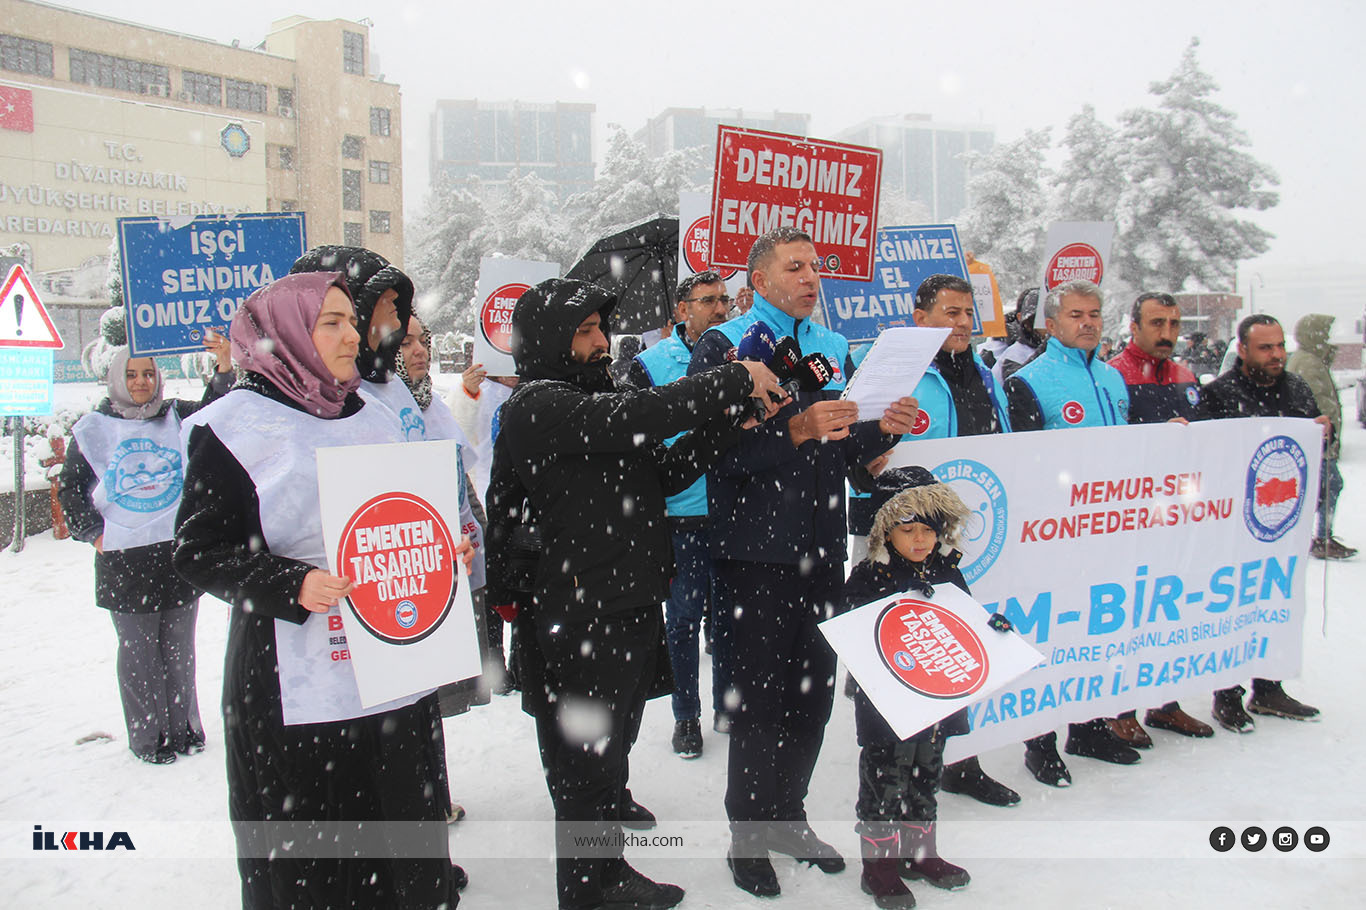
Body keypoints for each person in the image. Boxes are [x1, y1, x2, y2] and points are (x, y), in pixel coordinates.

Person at [484, 277, 785, 910]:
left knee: (611, 749)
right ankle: (589, 888)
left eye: (601, 328)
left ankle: (606, 868)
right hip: (577, 611)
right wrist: (732, 379)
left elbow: (665, 473)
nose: (601, 342)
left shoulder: (597, 400)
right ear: (547, 339)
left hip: (627, 599)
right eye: (586, 331)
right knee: (584, 763)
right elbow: (642, 416)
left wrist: (734, 421)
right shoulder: (537, 404)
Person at [174, 272, 466, 908]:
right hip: (293, 678)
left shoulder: (375, 410)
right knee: (322, 854)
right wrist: (292, 582)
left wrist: (442, 548)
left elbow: (399, 513)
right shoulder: (231, 427)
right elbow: (198, 551)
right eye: (328, 323)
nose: (349, 335)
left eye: (349, 321)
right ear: (281, 337)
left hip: (390, 663)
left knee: (403, 836)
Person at [687, 227, 919, 897]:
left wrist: (883, 428)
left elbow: (840, 452)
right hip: (753, 555)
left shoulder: (831, 346)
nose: (814, 276)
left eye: (817, 265)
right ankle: (747, 836)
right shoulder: (725, 347)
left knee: (811, 699)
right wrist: (797, 429)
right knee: (759, 704)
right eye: (797, 267)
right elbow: (717, 456)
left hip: (819, 552)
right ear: (759, 281)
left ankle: (789, 816)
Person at [873, 273, 1020, 808]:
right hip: (909, 544)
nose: (961, 324)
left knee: (964, 647)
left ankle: (960, 762)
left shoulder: (987, 375)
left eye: (967, 314)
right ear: (921, 318)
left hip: (972, 537)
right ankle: (897, 780)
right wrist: (874, 460)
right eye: (950, 313)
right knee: (918, 653)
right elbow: (863, 458)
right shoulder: (897, 375)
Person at [845, 467, 1012, 909]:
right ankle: (878, 865)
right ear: (886, 529)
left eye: (928, 530)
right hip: (888, 706)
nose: (919, 540)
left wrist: (993, 628)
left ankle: (920, 852)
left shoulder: (946, 572)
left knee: (926, 772)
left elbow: (967, 619)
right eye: (908, 530)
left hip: (937, 702)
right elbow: (854, 632)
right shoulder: (868, 576)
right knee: (886, 777)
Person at [60, 339, 232, 764]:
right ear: (117, 378)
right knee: (139, 655)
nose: (141, 382)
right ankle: (149, 738)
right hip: (125, 562)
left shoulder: (174, 416)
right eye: (132, 374)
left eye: (149, 374)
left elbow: (219, 410)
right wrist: (95, 534)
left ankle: (185, 729)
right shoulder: (93, 428)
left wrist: (224, 365)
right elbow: (71, 488)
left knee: (178, 650)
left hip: (173, 556)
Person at [1004, 278, 1138, 784]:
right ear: (1053, 324)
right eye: (1077, 315)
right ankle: (1040, 741)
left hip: (1108, 531)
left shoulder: (1111, 378)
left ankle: (1090, 726)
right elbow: (1023, 463)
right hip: (1056, 534)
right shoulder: (1029, 381)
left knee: (1097, 631)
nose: (1088, 323)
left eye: (1095, 314)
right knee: (1051, 636)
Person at [1195, 313, 1325, 731]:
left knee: (1277, 602)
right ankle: (1227, 694)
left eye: (1280, 346)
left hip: (1282, 522)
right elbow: (1203, 454)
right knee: (1232, 608)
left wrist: (1324, 432)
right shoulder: (1219, 393)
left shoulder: (1296, 388)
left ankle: (1269, 688)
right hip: (1234, 525)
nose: (1276, 355)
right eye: (1266, 347)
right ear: (1244, 349)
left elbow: (1318, 439)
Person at [623, 270, 734, 758]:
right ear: (681, 310)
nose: (718, 308)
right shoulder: (650, 364)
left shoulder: (740, 352)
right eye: (707, 300)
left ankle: (729, 704)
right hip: (682, 514)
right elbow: (640, 443)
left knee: (732, 618)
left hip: (735, 508)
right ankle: (686, 715)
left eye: (724, 300)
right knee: (684, 619)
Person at [1106, 293, 1215, 742]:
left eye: (1173, 323)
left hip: (1178, 514)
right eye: (1157, 323)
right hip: (1131, 514)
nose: (1167, 332)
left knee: (1170, 609)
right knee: (1128, 612)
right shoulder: (1115, 375)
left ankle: (1166, 703)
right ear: (1134, 326)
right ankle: (1120, 705)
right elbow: (1109, 445)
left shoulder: (1187, 375)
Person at [1286, 313, 1356, 559]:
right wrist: (1326, 432)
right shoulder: (1309, 363)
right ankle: (1320, 537)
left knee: (1321, 488)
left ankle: (1314, 536)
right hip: (1318, 441)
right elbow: (1315, 402)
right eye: (1324, 332)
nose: (1327, 337)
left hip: (1319, 440)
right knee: (1329, 486)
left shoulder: (1310, 359)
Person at [990, 287, 1048, 385]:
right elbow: (1018, 385)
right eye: (1042, 321)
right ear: (1028, 325)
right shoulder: (1014, 355)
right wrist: (1047, 345)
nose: (1048, 326)